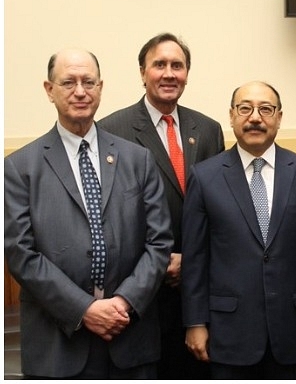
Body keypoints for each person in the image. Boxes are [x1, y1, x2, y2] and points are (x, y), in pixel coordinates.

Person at [4, 48, 173, 379]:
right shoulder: (20, 167)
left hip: (131, 338)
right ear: (49, 89)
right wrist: (84, 309)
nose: (80, 91)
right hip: (58, 344)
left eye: (88, 82)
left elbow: (160, 241)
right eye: (68, 82)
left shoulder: (137, 159)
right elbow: (20, 253)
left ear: (100, 87)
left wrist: (123, 303)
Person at [181, 80, 296, 379]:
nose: (255, 117)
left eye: (265, 109)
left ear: (279, 118)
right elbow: (195, 259)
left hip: (295, 328)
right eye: (245, 108)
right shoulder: (205, 177)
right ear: (231, 116)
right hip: (228, 331)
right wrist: (195, 322)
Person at [97, 32, 224, 379]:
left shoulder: (209, 129)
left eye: (178, 66)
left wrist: (193, 260)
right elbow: (108, 214)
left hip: (199, 292)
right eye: (159, 65)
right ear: (142, 73)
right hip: (142, 297)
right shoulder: (111, 130)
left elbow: (222, 209)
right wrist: (159, 262)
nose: (169, 73)